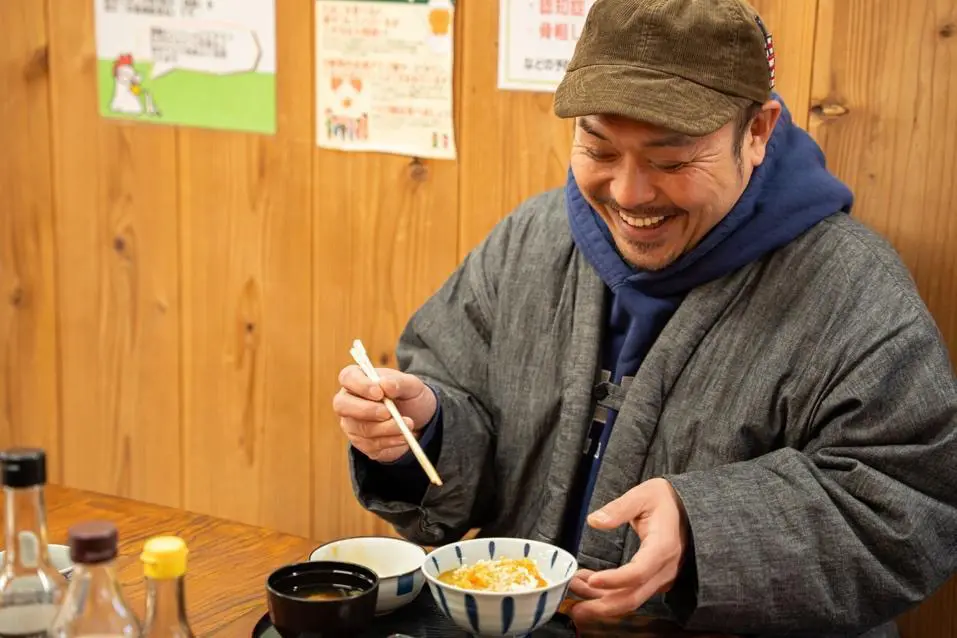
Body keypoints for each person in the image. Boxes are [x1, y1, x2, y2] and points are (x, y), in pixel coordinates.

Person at [332, 0, 957, 636]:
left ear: (758, 132)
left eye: (672, 160)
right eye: (598, 148)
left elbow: (910, 509)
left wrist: (704, 530)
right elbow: (454, 392)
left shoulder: (850, 288)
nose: (629, 194)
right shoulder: (530, 241)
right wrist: (425, 430)